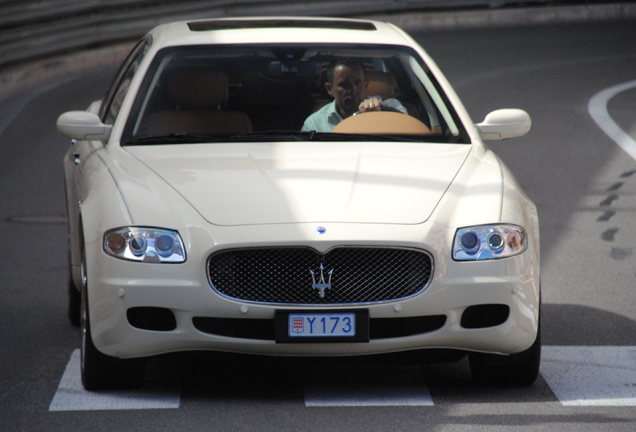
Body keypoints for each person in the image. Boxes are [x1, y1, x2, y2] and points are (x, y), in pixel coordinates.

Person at [301, 58, 407, 133]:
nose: (353, 90)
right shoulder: (315, 124)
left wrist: (381, 114)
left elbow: (409, 133)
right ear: (330, 89)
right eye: (344, 85)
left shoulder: (392, 107)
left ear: (366, 85)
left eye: (358, 83)